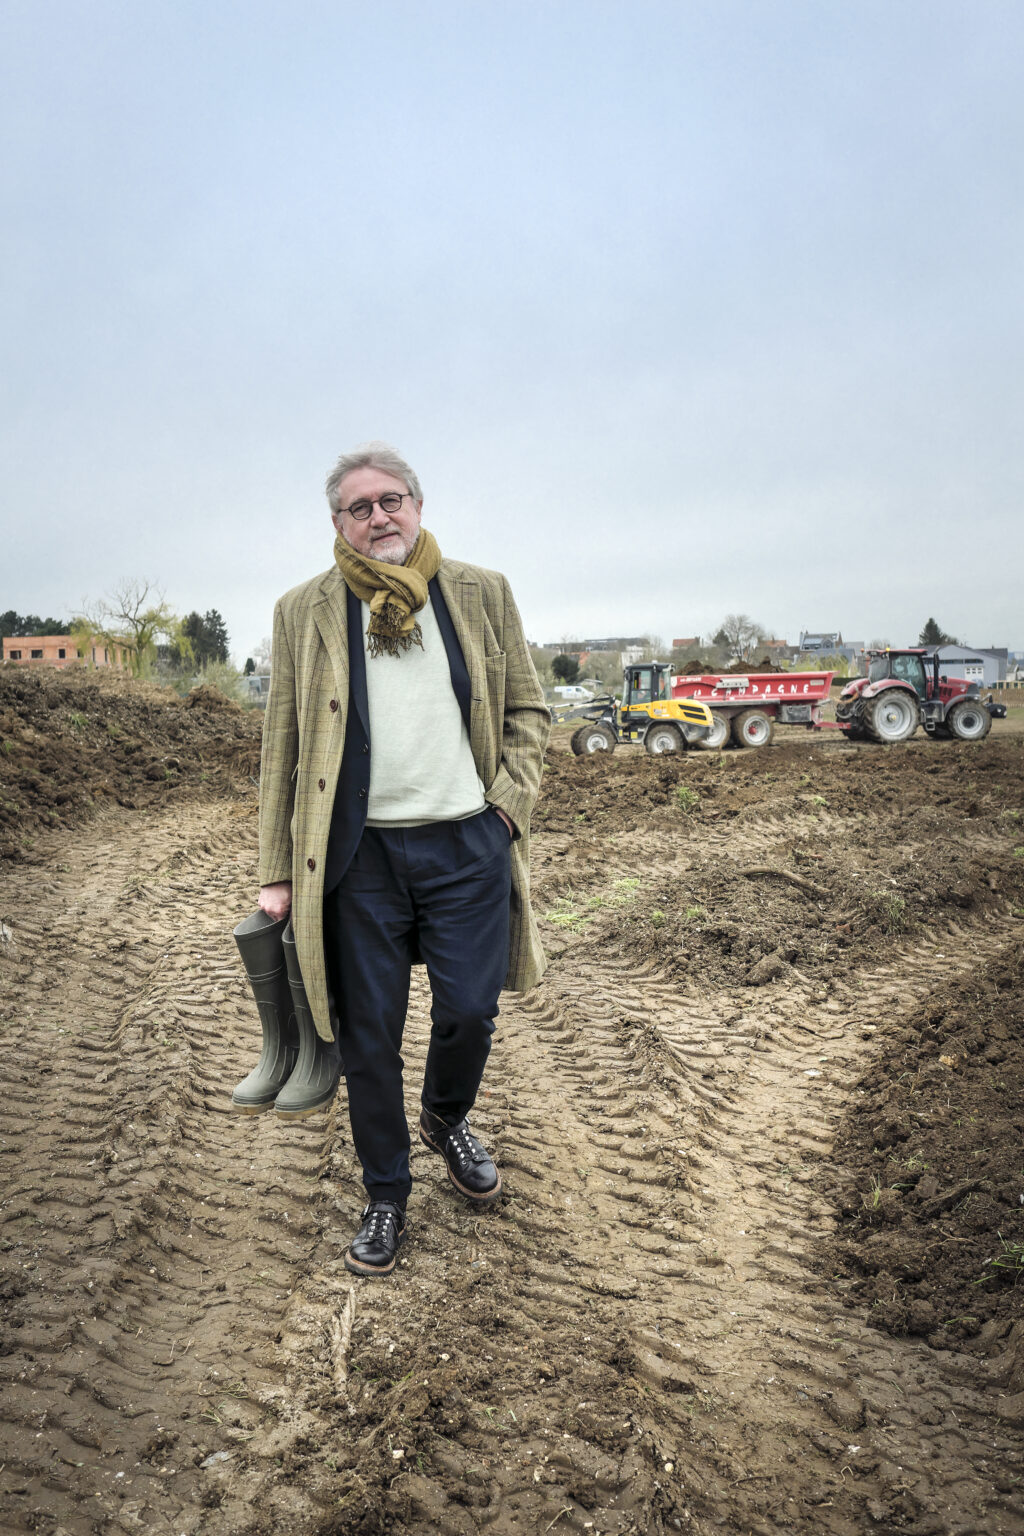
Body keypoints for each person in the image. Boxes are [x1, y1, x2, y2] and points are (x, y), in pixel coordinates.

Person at [257, 442, 549, 1276]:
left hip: (467, 843)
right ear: (338, 525)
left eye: (391, 501)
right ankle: (386, 1194)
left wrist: (506, 810)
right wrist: (277, 869)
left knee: (470, 1011)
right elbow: (281, 745)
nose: (378, 517)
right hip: (358, 857)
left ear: (417, 507)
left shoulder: (480, 593)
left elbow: (527, 710)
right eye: (360, 508)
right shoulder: (303, 610)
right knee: (368, 1038)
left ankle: (447, 1116)